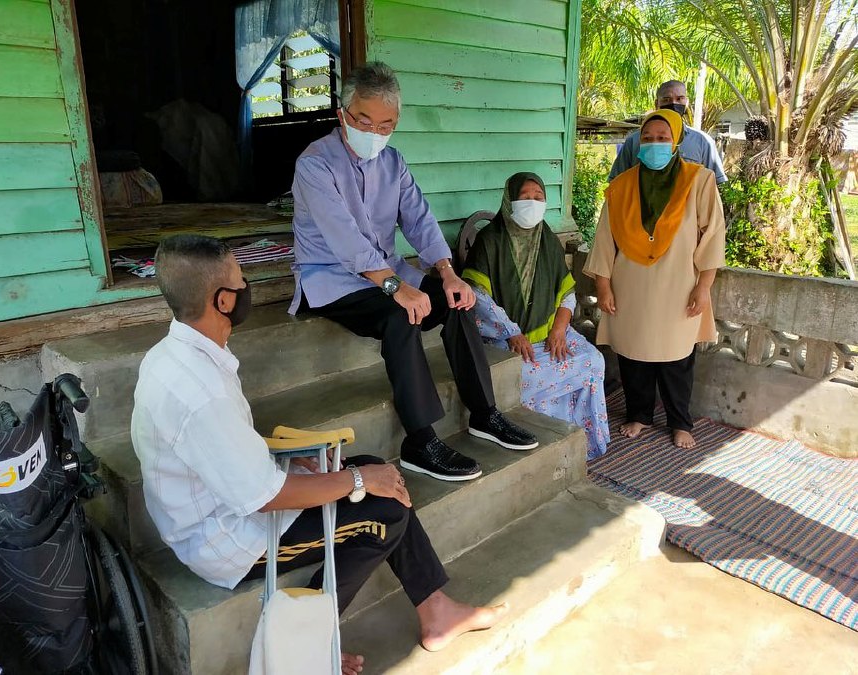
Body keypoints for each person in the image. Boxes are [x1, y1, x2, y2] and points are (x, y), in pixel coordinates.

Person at [131, 235, 507, 675]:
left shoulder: (177, 354)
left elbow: (225, 455)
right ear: (223, 300)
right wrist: (360, 482)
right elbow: (265, 497)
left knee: (370, 467)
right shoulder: (200, 390)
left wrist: (294, 464)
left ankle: (436, 611)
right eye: (242, 280)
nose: (248, 286)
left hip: (223, 506)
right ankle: (305, 648)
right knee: (385, 509)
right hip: (227, 541)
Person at [289, 62, 538, 483]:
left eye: (386, 125)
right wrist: (396, 287)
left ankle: (485, 414)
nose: (375, 133)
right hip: (331, 279)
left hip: (388, 271)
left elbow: (419, 220)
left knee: (458, 301)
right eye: (364, 121)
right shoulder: (314, 164)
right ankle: (419, 441)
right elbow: (346, 242)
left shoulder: (393, 162)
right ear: (342, 115)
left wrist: (447, 272)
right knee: (399, 315)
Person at [584, 110, 726, 449]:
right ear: (637, 143)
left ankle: (680, 422)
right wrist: (603, 286)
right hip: (630, 285)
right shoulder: (620, 187)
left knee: (677, 357)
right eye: (647, 139)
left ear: (675, 141)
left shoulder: (699, 180)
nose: (654, 144)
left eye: (662, 138)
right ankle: (639, 415)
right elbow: (605, 239)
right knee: (633, 355)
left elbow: (713, 235)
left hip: (679, 285)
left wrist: (703, 287)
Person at [462, 172, 610, 460]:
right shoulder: (489, 240)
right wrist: (511, 331)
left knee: (592, 360)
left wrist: (559, 329)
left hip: (549, 330)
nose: (532, 202)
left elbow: (566, 291)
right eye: (525, 197)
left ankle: (582, 442)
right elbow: (476, 295)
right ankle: (535, 444)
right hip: (504, 335)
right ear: (509, 201)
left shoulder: (548, 239)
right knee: (525, 375)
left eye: (538, 197)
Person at [609, 80, 727, 184]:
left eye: (679, 99)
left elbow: (713, 185)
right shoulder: (634, 141)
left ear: (686, 102)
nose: (673, 103)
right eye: (667, 99)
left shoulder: (703, 141)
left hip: (688, 207)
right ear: (657, 104)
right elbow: (618, 182)